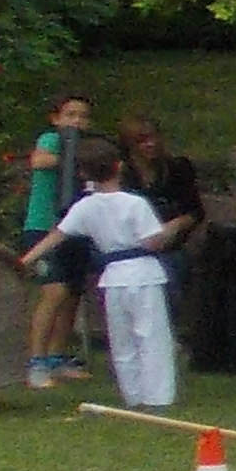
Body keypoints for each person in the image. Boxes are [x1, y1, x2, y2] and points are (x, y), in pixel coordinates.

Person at [27, 141, 175, 407]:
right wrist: (167, 232)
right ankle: (158, 397)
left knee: (122, 341)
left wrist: (26, 259)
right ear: (119, 167)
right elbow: (152, 241)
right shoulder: (135, 203)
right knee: (151, 336)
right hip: (143, 273)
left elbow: (57, 235)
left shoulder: (85, 206)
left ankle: (133, 395)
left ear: (84, 174)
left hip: (113, 277)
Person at [23, 88, 97, 384]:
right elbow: (39, 161)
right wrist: (70, 159)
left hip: (76, 228)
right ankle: (36, 360)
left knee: (73, 293)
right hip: (43, 226)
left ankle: (57, 356)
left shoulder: (89, 148)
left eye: (83, 116)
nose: (77, 121)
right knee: (54, 291)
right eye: (70, 115)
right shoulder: (51, 140)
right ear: (56, 118)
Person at [113, 112, 204, 347]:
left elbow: (195, 211)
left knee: (171, 269)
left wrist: (175, 225)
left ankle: (164, 334)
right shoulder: (121, 174)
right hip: (131, 246)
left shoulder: (177, 168)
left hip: (170, 243)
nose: (150, 144)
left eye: (154, 137)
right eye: (142, 141)